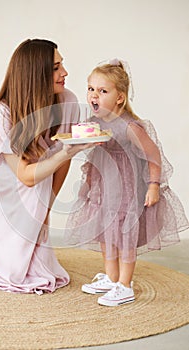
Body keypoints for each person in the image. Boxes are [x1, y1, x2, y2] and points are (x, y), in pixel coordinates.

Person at [0, 38, 93, 294]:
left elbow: (61, 165)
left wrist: (48, 206)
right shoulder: (4, 113)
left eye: (61, 65)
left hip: (35, 182)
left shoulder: (67, 102)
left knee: (37, 262)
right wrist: (63, 153)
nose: (64, 73)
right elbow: (25, 176)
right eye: (55, 67)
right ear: (35, 73)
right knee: (8, 269)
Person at [65, 58, 189, 306]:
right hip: (103, 189)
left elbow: (154, 156)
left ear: (119, 98)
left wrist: (154, 185)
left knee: (123, 236)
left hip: (125, 191)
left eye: (102, 91)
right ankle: (111, 277)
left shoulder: (129, 127)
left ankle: (125, 284)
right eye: (91, 89)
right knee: (104, 233)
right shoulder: (96, 123)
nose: (93, 96)